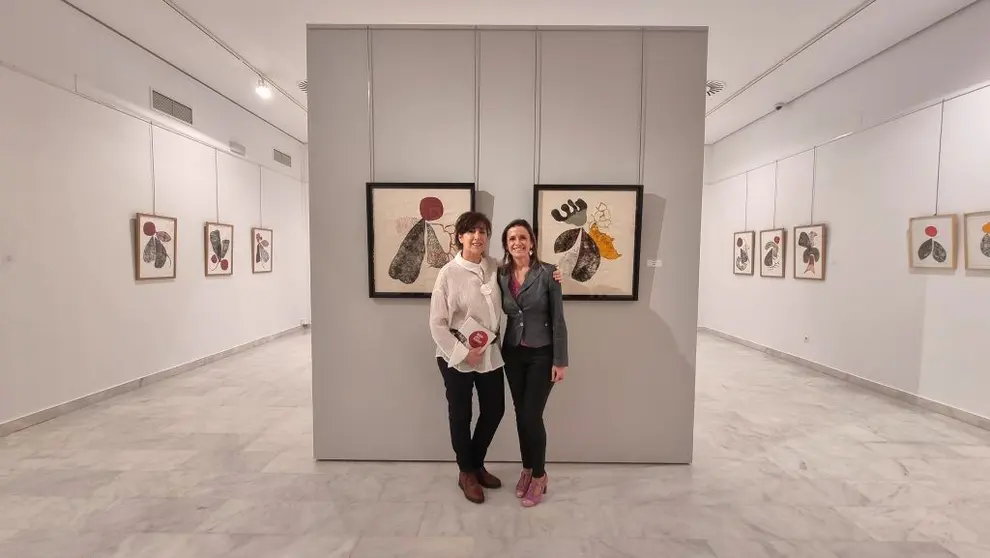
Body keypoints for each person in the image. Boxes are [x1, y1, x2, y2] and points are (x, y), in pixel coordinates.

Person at [429, 211, 506, 504]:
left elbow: (527, 268)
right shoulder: (448, 273)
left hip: (489, 353)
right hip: (455, 355)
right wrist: (462, 353)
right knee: (461, 415)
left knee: (494, 410)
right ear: (460, 237)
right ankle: (466, 472)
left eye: (483, 231)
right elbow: (437, 323)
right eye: (471, 231)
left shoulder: (495, 267)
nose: (478, 236)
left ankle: (475, 463)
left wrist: (553, 273)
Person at [498, 218, 568, 508]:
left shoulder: (549, 273)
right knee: (520, 413)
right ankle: (527, 469)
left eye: (523, 237)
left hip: (542, 352)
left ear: (532, 241)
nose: (518, 243)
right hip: (513, 352)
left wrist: (560, 360)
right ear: (506, 244)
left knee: (531, 415)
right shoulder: (501, 274)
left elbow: (559, 319)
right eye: (512, 238)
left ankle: (539, 476)